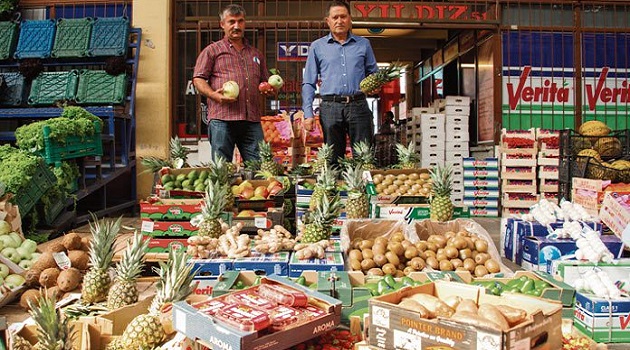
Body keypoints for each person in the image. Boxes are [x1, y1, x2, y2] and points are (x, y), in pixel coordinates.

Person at [302, 0, 379, 167]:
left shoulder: (363, 44)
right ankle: (336, 192)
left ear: (350, 19)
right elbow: (309, 82)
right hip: (330, 107)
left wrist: (376, 83)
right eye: (335, 17)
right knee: (332, 159)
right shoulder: (317, 47)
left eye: (343, 17)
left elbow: (374, 73)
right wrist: (308, 113)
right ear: (328, 21)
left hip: (358, 104)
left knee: (364, 156)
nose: (339, 21)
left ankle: (362, 192)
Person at [193, 4, 273, 162]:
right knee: (222, 169)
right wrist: (213, 95)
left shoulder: (255, 54)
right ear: (222, 24)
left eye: (240, 21)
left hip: (251, 120)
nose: (236, 26)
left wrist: (269, 89)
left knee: (258, 167)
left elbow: (265, 81)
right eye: (231, 22)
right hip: (222, 119)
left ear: (244, 23)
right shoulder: (212, 51)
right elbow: (198, 78)